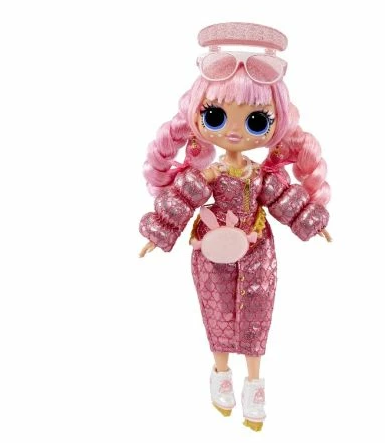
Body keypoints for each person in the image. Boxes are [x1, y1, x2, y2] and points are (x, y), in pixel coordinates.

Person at [138, 22, 331, 431]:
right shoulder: (208, 175)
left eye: (256, 121)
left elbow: (283, 198)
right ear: (198, 115)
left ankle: (255, 386)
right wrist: (159, 230)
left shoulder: (260, 175)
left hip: (257, 250)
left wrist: (309, 220)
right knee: (218, 311)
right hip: (213, 251)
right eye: (215, 116)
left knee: (257, 313)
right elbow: (183, 198)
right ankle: (220, 374)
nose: (233, 131)